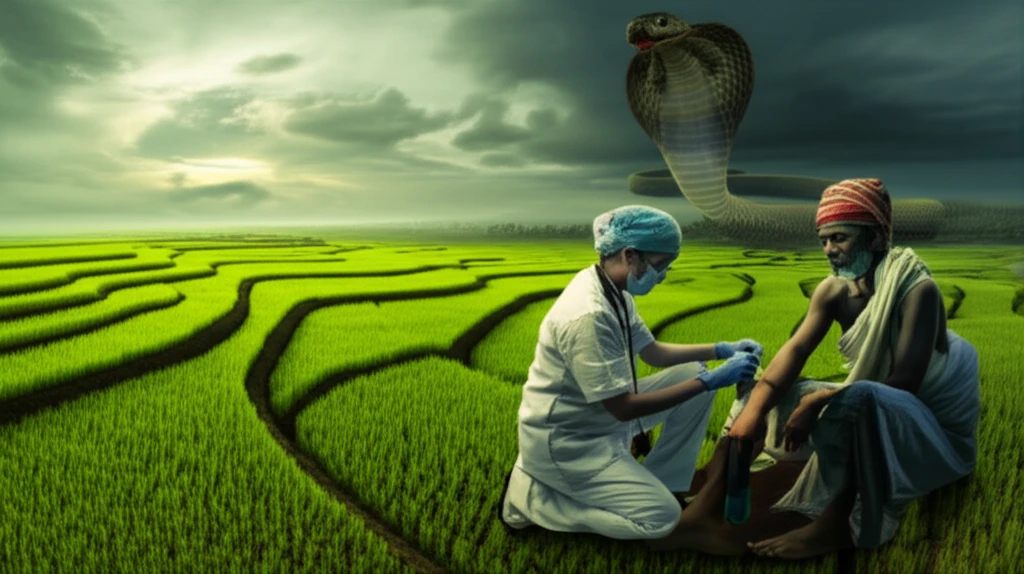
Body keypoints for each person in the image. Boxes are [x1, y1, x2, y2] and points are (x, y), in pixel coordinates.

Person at [660, 178, 981, 559]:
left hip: (929, 425)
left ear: (876, 237)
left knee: (861, 398)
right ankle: (709, 498)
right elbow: (794, 353)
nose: (829, 249)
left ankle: (835, 525)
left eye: (839, 238)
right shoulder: (834, 290)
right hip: (880, 397)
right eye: (824, 240)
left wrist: (817, 402)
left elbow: (904, 383)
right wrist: (754, 411)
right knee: (755, 393)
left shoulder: (917, 290)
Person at [497, 204, 764, 543]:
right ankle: (534, 501)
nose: (663, 274)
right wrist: (710, 381)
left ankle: (663, 481)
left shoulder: (612, 290)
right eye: (660, 264)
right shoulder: (589, 315)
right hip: (569, 440)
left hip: (595, 417)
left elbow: (654, 353)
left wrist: (720, 349)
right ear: (629, 254)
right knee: (661, 520)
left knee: (692, 372)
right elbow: (622, 408)